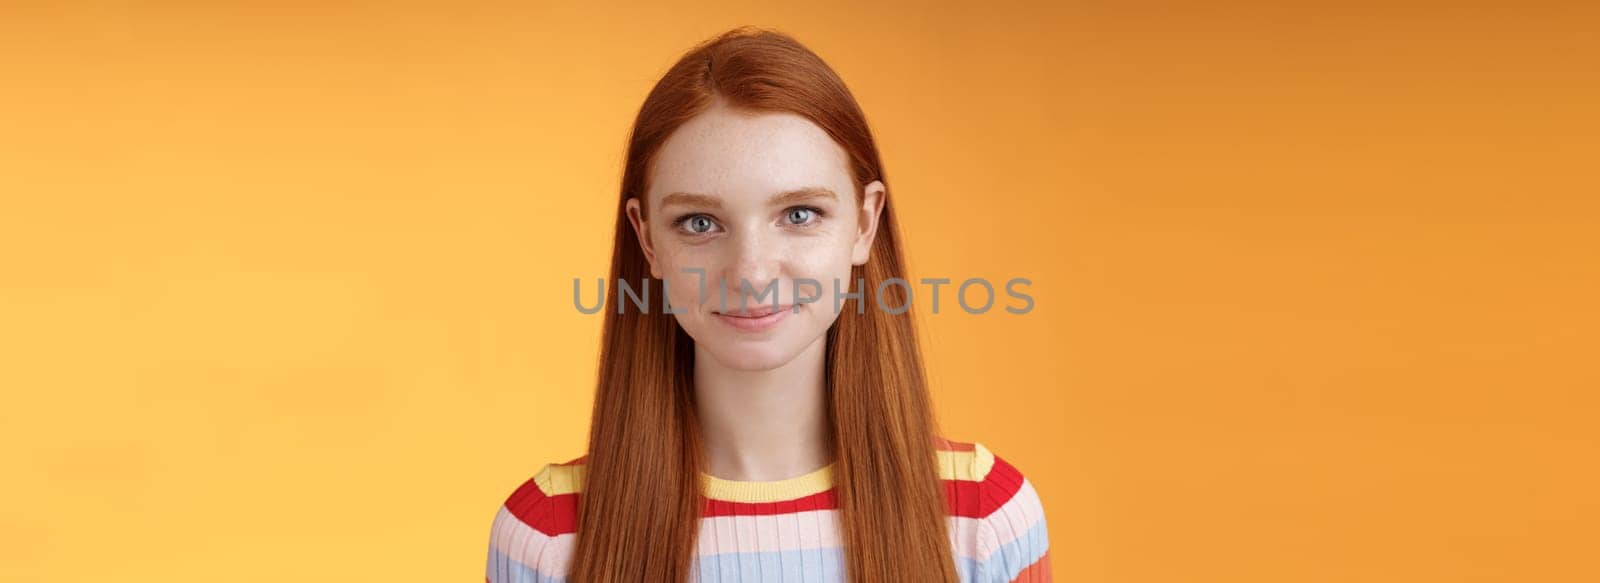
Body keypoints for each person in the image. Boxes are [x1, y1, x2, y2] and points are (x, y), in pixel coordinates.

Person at [485, 26, 1050, 582]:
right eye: (700, 223)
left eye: (799, 214)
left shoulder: (984, 516)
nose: (751, 271)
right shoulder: (548, 534)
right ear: (648, 238)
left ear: (864, 222)